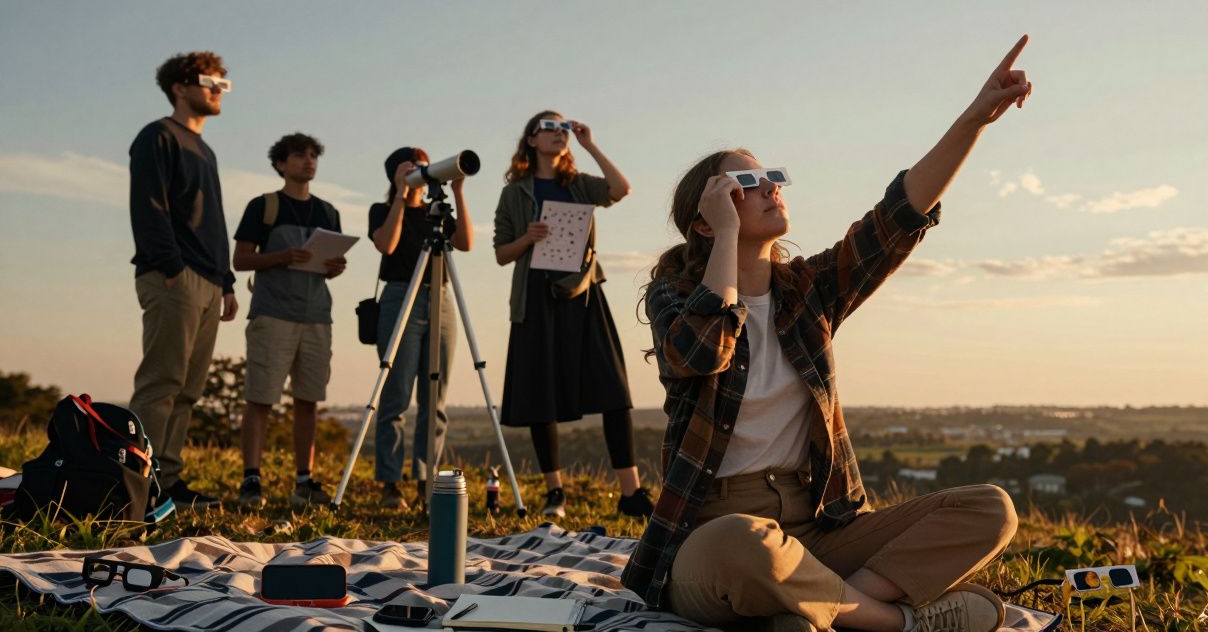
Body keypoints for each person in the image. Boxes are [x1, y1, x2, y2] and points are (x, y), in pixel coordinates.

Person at [621, 37, 1036, 632]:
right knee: (749, 545)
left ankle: (822, 612)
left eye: (773, 177)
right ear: (707, 220)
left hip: (820, 527)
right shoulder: (676, 297)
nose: (770, 187)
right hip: (713, 535)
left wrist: (975, 117)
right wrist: (722, 240)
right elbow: (700, 352)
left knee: (988, 508)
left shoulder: (807, 291)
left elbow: (896, 218)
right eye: (748, 182)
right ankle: (896, 624)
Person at [493, 111, 653, 520]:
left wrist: (589, 144)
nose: (559, 133)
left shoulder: (577, 184)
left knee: (614, 390)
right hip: (535, 297)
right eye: (550, 127)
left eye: (564, 128)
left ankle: (631, 494)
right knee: (540, 396)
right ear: (530, 139)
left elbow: (621, 188)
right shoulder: (514, 193)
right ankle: (555, 493)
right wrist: (526, 238)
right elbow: (499, 253)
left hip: (583, 294)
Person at [128, 51, 239, 510]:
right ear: (180, 87)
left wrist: (227, 282)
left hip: (210, 282)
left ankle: (168, 482)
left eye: (224, 83)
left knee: (190, 389)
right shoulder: (157, 136)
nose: (218, 89)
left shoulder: (207, 150)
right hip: (173, 276)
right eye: (210, 80)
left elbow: (210, 219)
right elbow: (149, 206)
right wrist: (171, 267)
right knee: (162, 382)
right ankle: (136, 484)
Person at [232, 133, 346, 510]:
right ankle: (251, 478)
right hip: (273, 313)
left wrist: (335, 267)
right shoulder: (262, 206)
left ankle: (304, 480)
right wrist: (280, 256)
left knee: (308, 400)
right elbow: (241, 260)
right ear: (281, 164)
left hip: (317, 315)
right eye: (300, 156)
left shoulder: (328, 212)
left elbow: (328, 268)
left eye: (314, 155)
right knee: (261, 397)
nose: (309, 161)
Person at [369, 147, 472, 509]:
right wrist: (402, 194)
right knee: (395, 395)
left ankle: (426, 481)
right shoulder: (382, 211)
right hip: (401, 297)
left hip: (440, 295)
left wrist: (457, 192)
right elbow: (387, 244)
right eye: (409, 166)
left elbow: (466, 243)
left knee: (435, 399)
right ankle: (390, 483)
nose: (419, 170)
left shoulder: (436, 213)